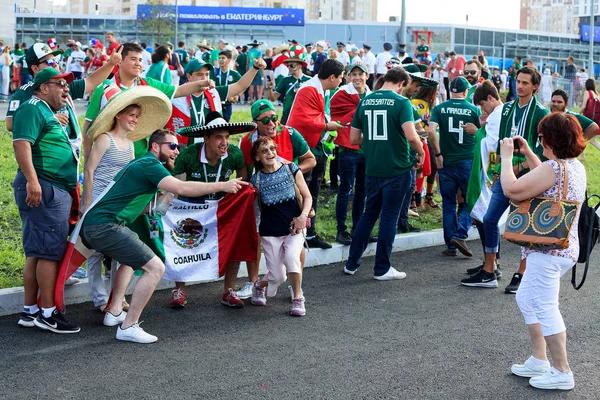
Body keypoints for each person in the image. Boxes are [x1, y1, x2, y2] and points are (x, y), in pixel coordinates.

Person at [80, 128, 247, 343]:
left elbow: (135, 206)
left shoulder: (142, 164)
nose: (177, 151)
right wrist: (223, 185)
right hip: (104, 225)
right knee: (156, 267)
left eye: (179, 146)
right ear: (155, 147)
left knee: (131, 261)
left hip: (99, 224)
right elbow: (180, 186)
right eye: (172, 146)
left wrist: (154, 208)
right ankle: (128, 326)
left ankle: (113, 313)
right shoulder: (150, 164)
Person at [500, 113, 586, 391]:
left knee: (546, 306)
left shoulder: (555, 168)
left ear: (550, 139)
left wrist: (505, 157)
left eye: (540, 136)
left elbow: (512, 190)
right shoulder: (571, 167)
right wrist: (527, 153)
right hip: (562, 247)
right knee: (527, 298)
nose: (538, 141)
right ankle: (539, 360)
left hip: (547, 252)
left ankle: (562, 371)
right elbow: (545, 177)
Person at [13, 69, 83, 332]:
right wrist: (33, 181)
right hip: (45, 186)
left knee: (36, 252)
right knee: (49, 253)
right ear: (43, 88)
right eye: (60, 85)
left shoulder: (42, 110)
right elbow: (21, 145)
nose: (66, 90)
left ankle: (30, 311)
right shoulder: (32, 108)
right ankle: (47, 314)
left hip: (47, 186)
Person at [81, 90, 162, 314]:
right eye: (131, 115)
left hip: (117, 206)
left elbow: (131, 179)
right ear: (118, 115)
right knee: (94, 253)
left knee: (120, 253)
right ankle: (99, 299)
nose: (135, 119)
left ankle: (115, 299)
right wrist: (86, 203)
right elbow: (89, 170)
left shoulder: (129, 146)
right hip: (97, 202)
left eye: (137, 116)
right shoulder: (105, 139)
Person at [468, 66, 549, 290]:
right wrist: (497, 170)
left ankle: (521, 273)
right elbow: (500, 143)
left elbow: (542, 149)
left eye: (525, 83)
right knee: (490, 218)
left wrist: (521, 165)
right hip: (505, 174)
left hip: (530, 176)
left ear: (535, 86)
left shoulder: (541, 113)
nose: (520, 86)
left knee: (527, 227)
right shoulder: (505, 110)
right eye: (518, 81)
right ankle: (489, 270)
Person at [168, 112, 256, 309]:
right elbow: (174, 184)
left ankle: (228, 290)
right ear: (205, 138)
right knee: (183, 245)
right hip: (193, 208)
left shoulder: (235, 154)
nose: (224, 142)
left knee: (235, 242)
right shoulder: (188, 155)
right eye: (218, 137)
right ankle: (179, 289)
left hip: (222, 209)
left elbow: (243, 184)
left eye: (227, 137)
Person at [344, 67, 424, 279]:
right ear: (401, 83)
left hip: (373, 167)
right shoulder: (402, 102)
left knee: (369, 214)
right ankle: (382, 268)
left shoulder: (365, 101)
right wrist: (422, 152)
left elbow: (353, 139)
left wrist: (372, 139)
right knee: (390, 216)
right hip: (397, 168)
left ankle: (351, 263)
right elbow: (412, 136)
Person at [249, 136, 312, 316]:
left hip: (294, 228)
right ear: (257, 157)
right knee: (278, 276)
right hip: (270, 232)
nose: (270, 153)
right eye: (264, 151)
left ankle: (298, 298)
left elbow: (307, 197)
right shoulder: (256, 180)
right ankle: (259, 286)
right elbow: (253, 210)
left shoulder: (290, 169)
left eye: (272, 149)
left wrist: (303, 216)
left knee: (293, 257)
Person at [287, 59, 345, 249]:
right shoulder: (309, 89)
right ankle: (296, 233)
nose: (342, 81)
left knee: (313, 191)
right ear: (332, 77)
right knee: (302, 192)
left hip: (317, 146)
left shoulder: (321, 89)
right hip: (305, 150)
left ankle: (310, 233)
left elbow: (317, 116)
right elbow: (302, 120)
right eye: (341, 78)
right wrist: (328, 125)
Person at [428, 76, 481, 257]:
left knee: (449, 204)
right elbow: (480, 133)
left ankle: (451, 245)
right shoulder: (473, 109)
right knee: (471, 200)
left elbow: (430, 132)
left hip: (446, 161)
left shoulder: (439, 108)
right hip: (467, 161)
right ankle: (460, 233)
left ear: (451, 91)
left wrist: (438, 154)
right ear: (466, 92)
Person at [463, 81, 503, 282]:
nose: (482, 110)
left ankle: (492, 266)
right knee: (484, 217)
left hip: (489, 174)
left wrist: (477, 131)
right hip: (488, 171)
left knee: (486, 218)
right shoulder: (496, 115)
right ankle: (491, 263)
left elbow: (494, 146)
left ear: (489, 98)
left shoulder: (498, 114)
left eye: (481, 105)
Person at [330, 63, 371, 245]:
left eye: (360, 74)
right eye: (353, 74)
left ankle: (358, 229)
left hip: (367, 149)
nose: (357, 78)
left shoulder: (371, 95)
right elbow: (336, 116)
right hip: (348, 149)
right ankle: (341, 230)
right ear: (348, 76)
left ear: (367, 76)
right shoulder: (341, 94)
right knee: (345, 190)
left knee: (362, 191)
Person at [551, 89, 600, 155]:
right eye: (553, 101)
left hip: (564, 156)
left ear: (566, 104)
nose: (555, 104)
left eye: (559, 102)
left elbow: (594, 127)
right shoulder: (548, 116)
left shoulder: (571, 116)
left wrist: (578, 142)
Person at [267, 48, 310, 124]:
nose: (289, 68)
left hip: (304, 116)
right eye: (288, 66)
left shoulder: (310, 80)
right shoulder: (285, 80)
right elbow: (273, 98)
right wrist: (270, 88)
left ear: (300, 66)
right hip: (287, 116)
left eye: (292, 66)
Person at [213, 50, 242, 122]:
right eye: (219, 58)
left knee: (225, 124)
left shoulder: (234, 74)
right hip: (215, 103)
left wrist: (237, 95)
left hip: (227, 104)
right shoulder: (214, 72)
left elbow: (243, 84)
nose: (220, 60)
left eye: (223, 58)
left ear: (228, 60)